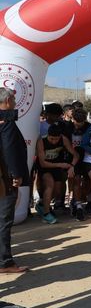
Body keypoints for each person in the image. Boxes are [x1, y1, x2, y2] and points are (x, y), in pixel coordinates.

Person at [0, 88, 29, 273]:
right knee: (4, 219)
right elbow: (10, 149)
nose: (15, 102)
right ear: (8, 100)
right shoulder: (7, 121)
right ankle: (5, 262)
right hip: (5, 178)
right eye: (14, 98)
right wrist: (16, 174)